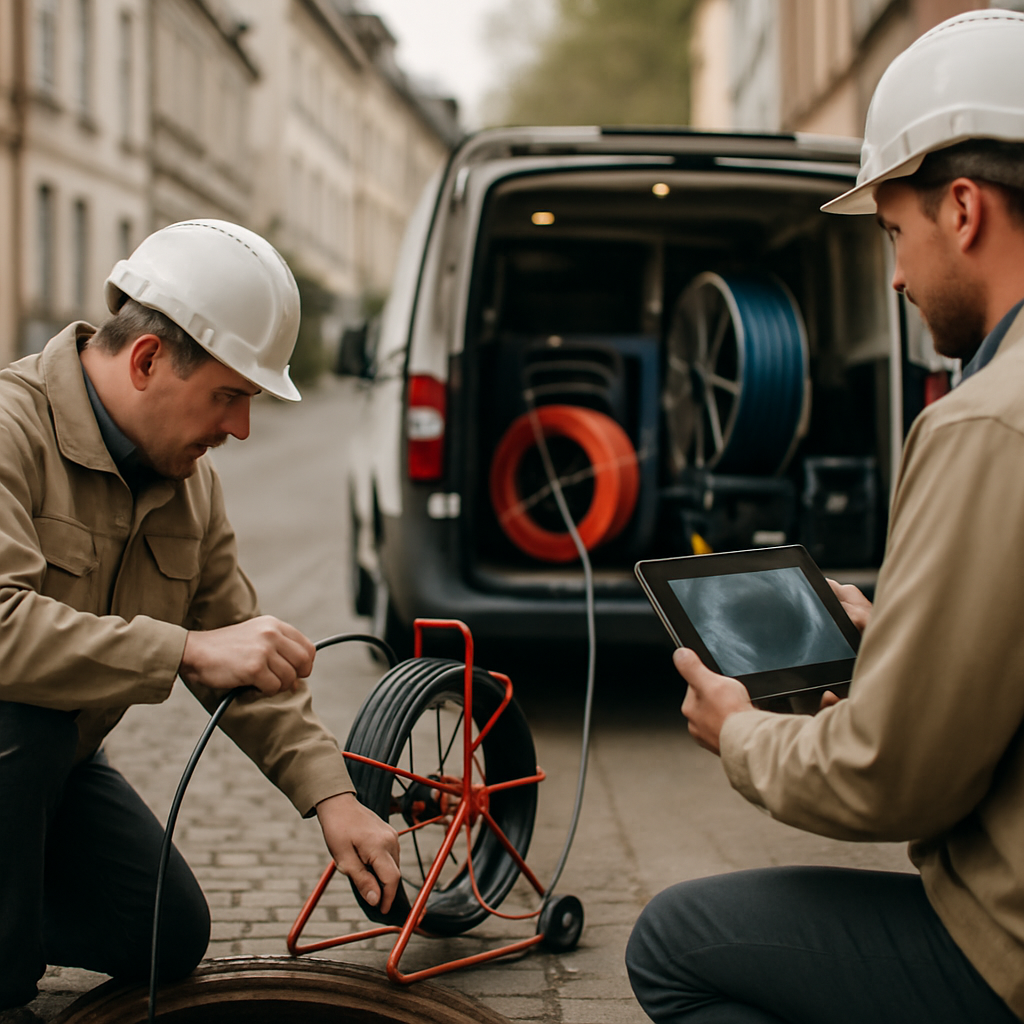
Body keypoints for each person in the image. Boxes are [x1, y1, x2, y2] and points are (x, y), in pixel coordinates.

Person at [626, 10, 1024, 1024]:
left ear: (964, 210)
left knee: (674, 942)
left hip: (1007, 953)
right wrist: (891, 640)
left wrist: (742, 731)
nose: (893, 275)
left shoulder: (986, 422)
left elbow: (889, 783)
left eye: (895, 232)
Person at [0, 219, 400, 1016]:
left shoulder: (188, 483)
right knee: (30, 728)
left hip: (52, 768)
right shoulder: (12, 431)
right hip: (19, 745)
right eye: (229, 395)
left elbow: (246, 653)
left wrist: (335, 797)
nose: (241, 429)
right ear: (147, 360)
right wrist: (183, 650)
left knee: (164, 935)